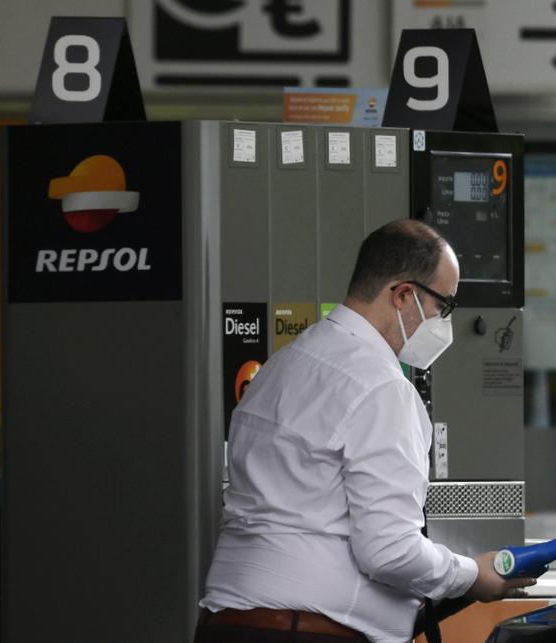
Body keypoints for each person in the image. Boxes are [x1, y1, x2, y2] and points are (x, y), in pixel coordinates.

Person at [196, 219, 535, 643]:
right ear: (403, 295)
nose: (443, 323)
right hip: (314, 632)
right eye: (443, 306)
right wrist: (471, 575)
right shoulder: (382, 388)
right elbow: (390, 552)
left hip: (227, 625)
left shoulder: (280, 367)